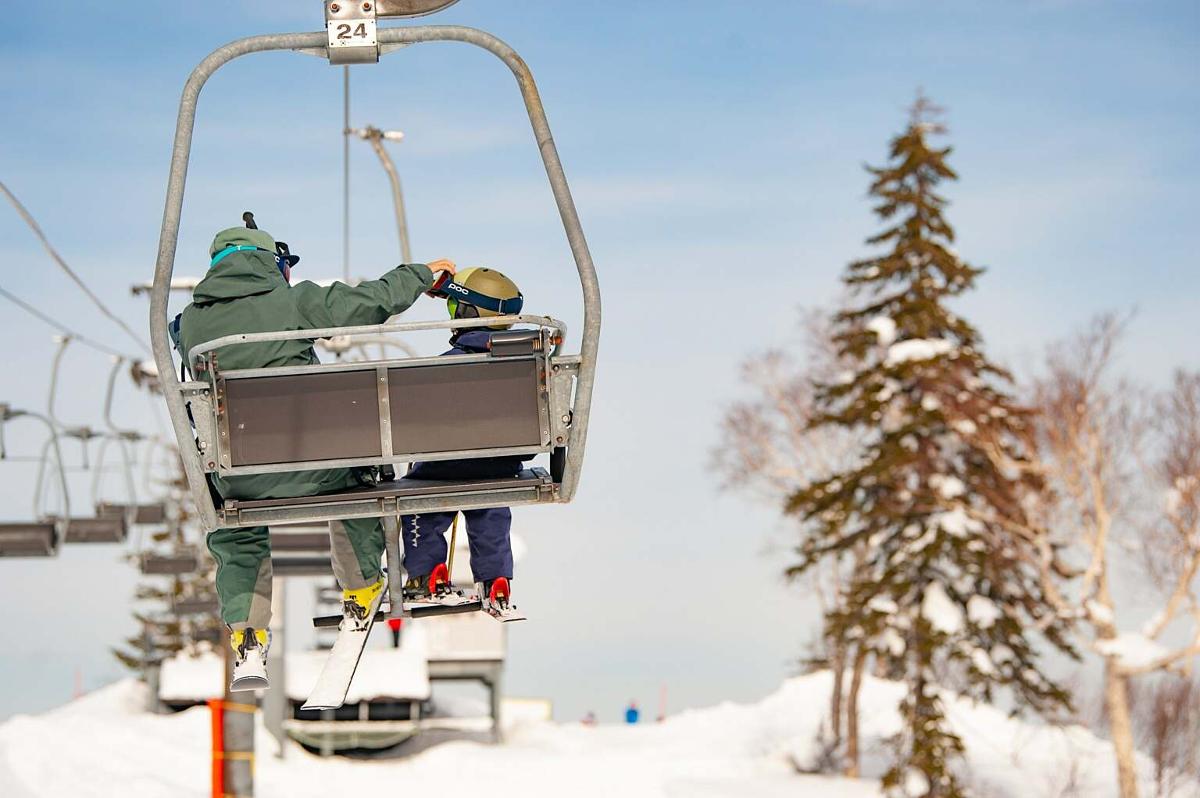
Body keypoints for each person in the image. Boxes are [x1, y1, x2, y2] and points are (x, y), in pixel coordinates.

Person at [170, 214, 456, 690]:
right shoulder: (294, 302)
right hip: (316, 468)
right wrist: (419, 275)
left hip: (241, 475)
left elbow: (177, 337)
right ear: (270, 264)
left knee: (232, 523)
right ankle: (362, 588)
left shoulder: (193, 324)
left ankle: (247, 631)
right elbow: (369, 302)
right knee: (360, 479)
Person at [399, 267, 526, 618]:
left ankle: (427, 574)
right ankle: (496, 580)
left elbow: (414, 420)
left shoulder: (445, 368)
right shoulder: (524, 362)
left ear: (468, 313)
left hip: (444, 466)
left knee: (420, 503)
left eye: (454, 307)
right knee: (491, 508)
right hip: (500, 463)